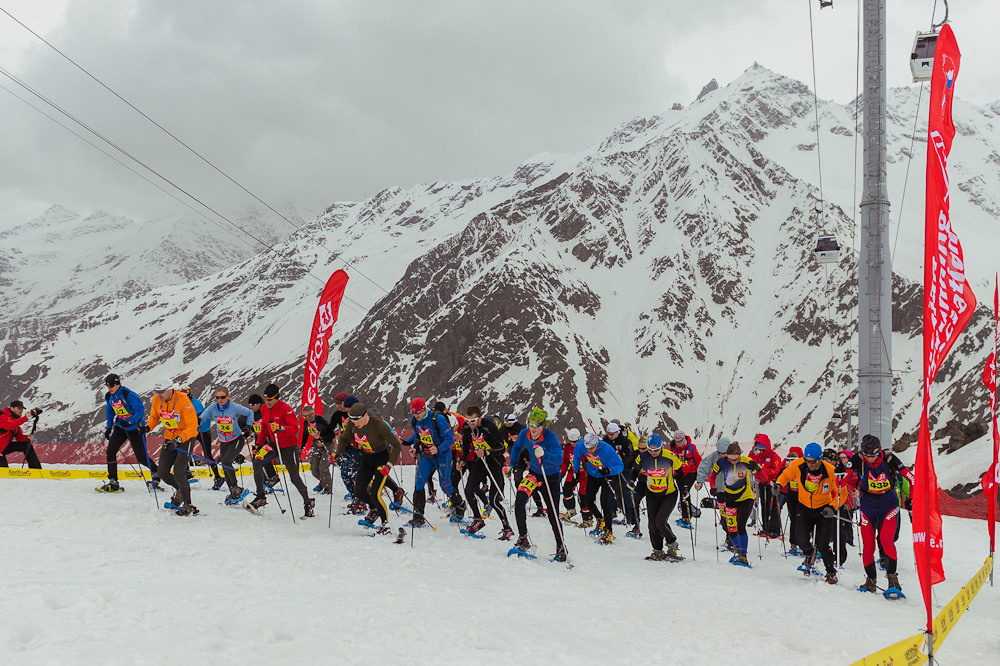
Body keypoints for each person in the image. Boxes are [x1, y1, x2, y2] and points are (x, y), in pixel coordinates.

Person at [845, 434, 915, 594]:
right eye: (867, 456)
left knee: (886, 540)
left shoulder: (889, 458)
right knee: (868, 545)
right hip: (868, 506)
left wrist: (911, 499)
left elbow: (912, 478)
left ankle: (893, 580)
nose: (869, 459)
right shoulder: (858, 458)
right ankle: (870, 581)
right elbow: (845, 476)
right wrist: (853, 488)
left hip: (888, 505)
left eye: (873, 455)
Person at [775, 442, 842, 584]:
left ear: (820, 459)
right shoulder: (799, 464)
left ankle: (831, 572)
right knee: (801, 540)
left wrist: (832, 507)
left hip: (824, 510)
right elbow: (786, 475)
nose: (810, 465)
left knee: (823, 544)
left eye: (813, 462)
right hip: (804, 507)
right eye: (807, 461)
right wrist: (779, 484)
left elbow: (841, 493)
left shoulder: (830, 470)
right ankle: (810, 554)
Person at [331, 402, 402, 534]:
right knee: (359, 492)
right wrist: (337, 453)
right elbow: (345, 438)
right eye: (352, 419)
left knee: (375, 493)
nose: (354, 422)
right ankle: (374, 509)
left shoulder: (378, 425)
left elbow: (396, 445)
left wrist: (389, 465)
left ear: (365, 415)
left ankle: (385, 524)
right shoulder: (353, 423)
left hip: (382, 459)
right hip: (367, 458)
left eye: (357, 419)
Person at [506, 407, 567, 560]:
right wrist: (512, 465)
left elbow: (559, 459)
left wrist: (545, 454)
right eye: (530, 424)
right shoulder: (524, 434)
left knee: (553, 514)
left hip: (550, 477)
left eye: (536, 425)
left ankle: (561, 547)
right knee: (519, 500)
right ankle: (523, 538)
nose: (532, 428)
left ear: (543, 426)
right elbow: (517, 447)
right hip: (534, 474)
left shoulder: (550, 437)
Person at [247, 383, 313, 518]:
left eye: (270, 400)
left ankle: (308, 502)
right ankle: (261, 497)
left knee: (294, 477)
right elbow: (264, 428)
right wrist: (258, 445)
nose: (267, 402)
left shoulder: (286, 409)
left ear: (277, 398)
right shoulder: (264, 408)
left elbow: (295, 429)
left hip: (289, 446)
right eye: (265, 399)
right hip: (274, 444)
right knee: (257, 461)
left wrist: (281, 428)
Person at [145, 377, 200, 516]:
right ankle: (180, 491)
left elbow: (193, 426)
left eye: (162, 391)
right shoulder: (157, 400)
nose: (159, 394)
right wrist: (147, 428)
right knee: (162, 472)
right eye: (157, 391)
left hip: (186, 438)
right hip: (170, 438)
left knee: (179, 471)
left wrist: (179, 439)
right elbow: (154, 417)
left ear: (170, 389)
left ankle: (188, 504)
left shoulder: (183, 401)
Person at [402, 397, 458, 527]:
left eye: (418, 413)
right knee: (419, 483)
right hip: (426, 455)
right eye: (414, 413)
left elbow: (450, 439)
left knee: (445, 485)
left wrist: (438, 449)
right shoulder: (415, 419)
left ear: (424, 409)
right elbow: (417, 436)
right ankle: (418, 516)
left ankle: (459, 505)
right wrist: (415, 448)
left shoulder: (437, 419)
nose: (417, 416)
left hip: (442, 455)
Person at [99, 373, 158, 492]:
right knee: (110, 451)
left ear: (117, 384)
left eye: (111, 386)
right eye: (107, 386)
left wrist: (131, 421)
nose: (109, 389)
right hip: (121, 427)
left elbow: (140, 410)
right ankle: (113, 481)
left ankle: (156, 472)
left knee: (141, 457)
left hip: (135, 428)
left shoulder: (128, 394)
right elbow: (110, 411)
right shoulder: (109, 396)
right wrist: (109, 427)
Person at [461, 405, 513, 539]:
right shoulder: (467, 428)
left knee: (494, 500)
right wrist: (462, 460)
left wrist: (487, 452)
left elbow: (501, 447)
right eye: (467, 420)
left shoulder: (489, 426)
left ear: (479, 418)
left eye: (473, 421)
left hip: (494, 462)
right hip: (481, 462)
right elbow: (466, 444)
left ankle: (507, 527)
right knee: (468, 490)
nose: (470, 424)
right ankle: (478, 519)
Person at [199, 385, 256, 504]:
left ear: (228, 396)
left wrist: (249, 426)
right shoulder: (213, 407)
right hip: (224, 441)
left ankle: (237, 488)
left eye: (222, 397)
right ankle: (233, 492)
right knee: (224, 466)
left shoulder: (234, 407)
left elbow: (250, 412)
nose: (220, 400)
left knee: (226, 462)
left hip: (236, 439)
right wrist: (197, 423)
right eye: (217, 397)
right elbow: (203, 417)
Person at [635, 434, 685, 561]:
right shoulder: (643, 457)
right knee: (652, 525)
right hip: (652, 494)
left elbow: (679, 473)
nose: (653, 452)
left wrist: (684, 489)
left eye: (656, 450)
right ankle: (657, 550)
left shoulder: (669, 456)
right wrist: (631, 481)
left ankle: (672, 543)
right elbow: (635, 470)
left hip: (669, 494)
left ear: (661, 447)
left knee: (660, 521)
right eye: (650, 450)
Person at [572, 432, 625, 544]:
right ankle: (600, 520)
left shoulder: (606, 449)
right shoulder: (581, 445)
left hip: (606, 476)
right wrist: (576, 471)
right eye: (587, 448)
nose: (589, 451)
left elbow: (620, 466)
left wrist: (609, 470)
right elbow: (576, 456)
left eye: (591, 448)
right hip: (593, 474)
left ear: (596, 444)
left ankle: (609, 531)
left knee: (604, 502)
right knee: (588, 501)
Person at [181, 386, 223, 489]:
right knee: (184, 450)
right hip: (192, 430)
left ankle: (218, 477)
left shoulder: (195, 404)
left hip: (202, 430)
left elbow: (198, 419)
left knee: (207, 454)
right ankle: (186, 472)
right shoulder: (183, 403)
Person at [749, 433, 784, 539]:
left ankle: (775, 529)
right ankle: (766, 527)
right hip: (762, 483)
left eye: (763, 450)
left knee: (772, 506)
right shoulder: (759, 457)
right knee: (764, 505)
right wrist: (759, 472)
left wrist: (762, 471)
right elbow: (754, 467)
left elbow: (775, 470)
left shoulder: (774, 456)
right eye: (760, 450)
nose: (761, 452)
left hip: (771, 484)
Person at [602, 421, 634, 524]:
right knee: (610, 490)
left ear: (617, 432)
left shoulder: (625, 441)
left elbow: (631, 457)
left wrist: (623, 464)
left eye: (612, 434)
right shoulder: (606, 440)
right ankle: (611, 512)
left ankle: (629, 516)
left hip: (624, 469)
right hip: (611, 469)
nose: (610, 436)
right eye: (608, 434)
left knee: (625, 491)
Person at [668, 429, 702, 529]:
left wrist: (699, 474)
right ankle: (685, 516)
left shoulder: (691, 447)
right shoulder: (673, 447)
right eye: (676, 441)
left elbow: (698, 460)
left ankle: (686, 518)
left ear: (684, 439)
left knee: (685, 492)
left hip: (691, 473)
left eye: (680, 441)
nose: (678, 443)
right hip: (678, 474)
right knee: (682, 493)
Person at [300, 405, 335, 495]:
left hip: (327, 443)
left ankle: (327, 488)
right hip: (316, 444)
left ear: (313, 414)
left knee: (323, 467)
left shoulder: (321, 421)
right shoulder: (306, 423)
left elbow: (332, 435)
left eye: (308, 416)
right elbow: (305, 434)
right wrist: (301, 447)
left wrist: (322, 439)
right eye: (304, 416)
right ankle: (322, 483)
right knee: (314, 468)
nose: (306, 418)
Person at [0, 400, 42, 469]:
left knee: (26, 445)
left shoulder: (14, 421)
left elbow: (19, 438)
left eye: (22, 408)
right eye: (19, 408)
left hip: (3, 447)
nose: (21, 410)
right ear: (12, 408)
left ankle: (36, 469)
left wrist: (27, 438)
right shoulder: (3, 417)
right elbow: (10, 425)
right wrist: (27, 417)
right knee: (3, 471)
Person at [779, 446, 804, 555]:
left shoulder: (804, 465)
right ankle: (793, 544)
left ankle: (804, 543)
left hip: (803, 495)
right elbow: (780, 476)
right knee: (793, 518)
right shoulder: (787, 465)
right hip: (791, 494)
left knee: (803, 519)